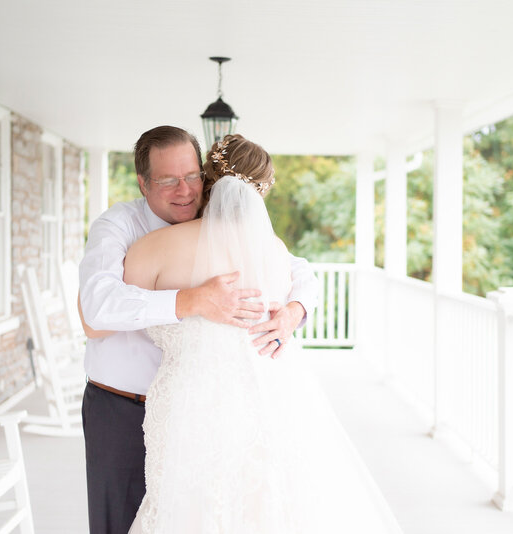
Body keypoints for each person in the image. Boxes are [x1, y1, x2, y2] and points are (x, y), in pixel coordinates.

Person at [124, 134, 403, 534]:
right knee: (260, 509)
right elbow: (302, 279)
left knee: (187, 508)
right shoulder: (273, 251)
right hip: (269, 395)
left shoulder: (152, 248)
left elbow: (101, 318)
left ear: (207, 180)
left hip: (190, 402)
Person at [78, 126, 317, 534]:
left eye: (192, 177)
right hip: (124, 405)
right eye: (167, 181)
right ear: (143, 182)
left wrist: (295, 309)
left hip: (208, 407)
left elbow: (300, 269)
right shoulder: (120, 226)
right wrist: (190, 300)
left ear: (208, 179)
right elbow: (95, 312)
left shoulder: (229, 230)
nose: (184, 191)